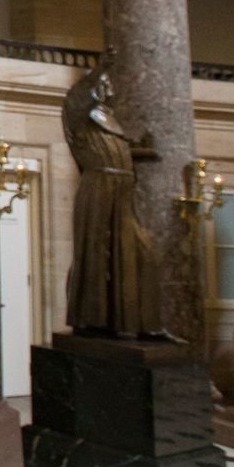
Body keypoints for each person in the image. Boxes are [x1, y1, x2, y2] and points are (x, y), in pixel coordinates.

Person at [60, 56, 170, 340]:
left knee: (143, 253)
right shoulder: (79, 115)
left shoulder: (111, 120)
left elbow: (116, 152)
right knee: (96, 254)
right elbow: (76, 97)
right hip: (98, 187)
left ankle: (146, 323)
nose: (108, 87)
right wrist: (99, 69)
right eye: (102, 82)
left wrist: (139, 152)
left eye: (106, 82)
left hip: (121, 192)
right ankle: (92, 320)